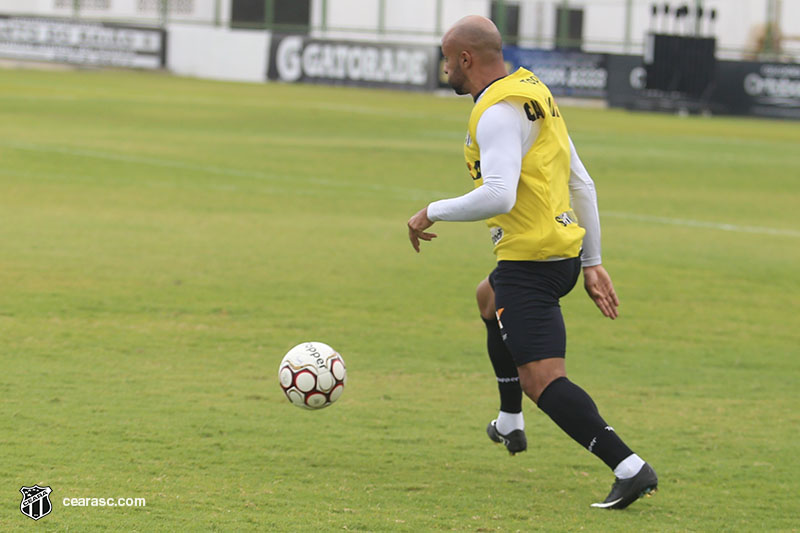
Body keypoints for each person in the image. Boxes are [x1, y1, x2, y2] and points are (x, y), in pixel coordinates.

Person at [407, 15, 658, 510]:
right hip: (559, 253)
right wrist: (592, 261)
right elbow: (581, 181)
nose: (444, 68)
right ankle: (509, 421)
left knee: (542, 380)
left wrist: (429, 211)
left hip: (532, 261)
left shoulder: (497, 113)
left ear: (465, 59)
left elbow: (498, 195)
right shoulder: (532, 91)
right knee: (487, 297)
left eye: (446, 58)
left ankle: (629, 467)